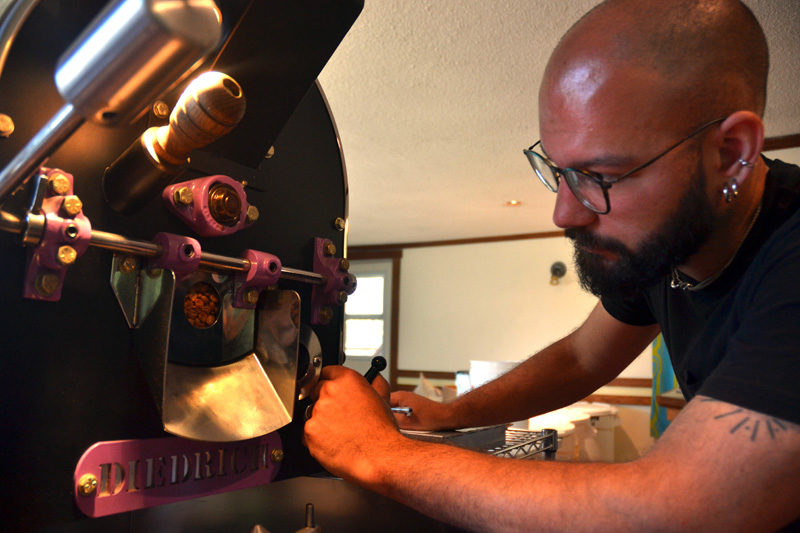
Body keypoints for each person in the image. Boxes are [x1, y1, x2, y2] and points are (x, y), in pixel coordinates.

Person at [304, 0, 800, 530]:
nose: (564, 213)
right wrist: (451, 414)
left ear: (731, 152)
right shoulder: (668, 246)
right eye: (559, 171)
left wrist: (378, 454)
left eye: (599, 177)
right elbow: (582, 359)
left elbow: (683, 508)